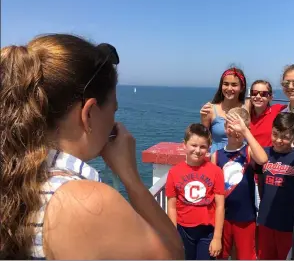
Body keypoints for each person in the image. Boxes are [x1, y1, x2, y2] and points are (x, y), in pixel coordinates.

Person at [0, 34, 184, 259]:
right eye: (113, 110)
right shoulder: (84, 203)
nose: (115, 122)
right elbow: (173, 254)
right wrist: (131, 178)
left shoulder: (14, 177)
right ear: (89, 113)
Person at [211, 107, 268, 260]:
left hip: (245, 217)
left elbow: (263, 159)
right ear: (225, 127)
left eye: (239, 127)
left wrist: (245, 131)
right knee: (220, 255)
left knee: (245, 256)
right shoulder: (217, 155)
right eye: (230, 126)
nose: (234, 131)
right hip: (223, 216)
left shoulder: (248, 151)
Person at [165, 123, 226, 260]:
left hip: (207, 231)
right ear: (184, 145)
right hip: (183, 230)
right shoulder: (174, 172)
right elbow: (172, 206)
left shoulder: (216, 171)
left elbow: (220, 206)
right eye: (193, 145)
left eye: (203, 147)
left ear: (209, 147)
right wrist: (173, 235)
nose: (198, 151)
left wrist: (217, 238)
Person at [255, 112, 294, 260]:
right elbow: (259, 181)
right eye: (275, 134)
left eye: (286, 137)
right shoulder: (263, 154)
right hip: (265, 220)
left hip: (288, 224)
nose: (279, 140)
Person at [200, 67, 247, 154]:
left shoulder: (247, 108)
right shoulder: (210, 110)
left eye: (234, 85)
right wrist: (203, 119)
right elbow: (204, 138)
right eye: (226, 84)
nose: (229, 88)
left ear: (242, 88)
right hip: (216, 159)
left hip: (240, 159)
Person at [247, 80, 286, 148]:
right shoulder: (246, 114)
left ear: (270, 97)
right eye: (254, 93)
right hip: (249, 156)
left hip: (269, 156)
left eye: (263, 94)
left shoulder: (277, 110)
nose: (258, 96)